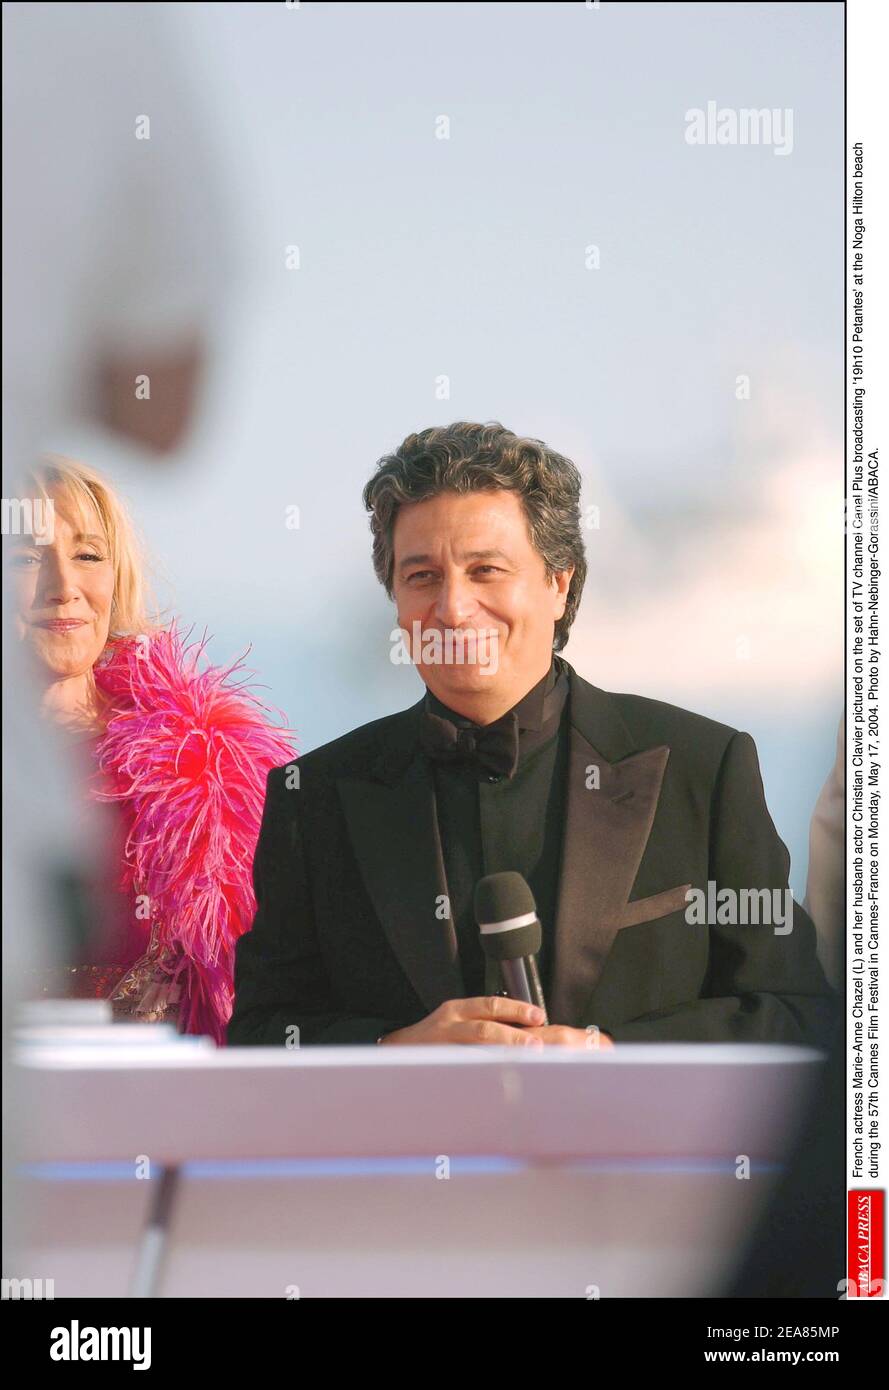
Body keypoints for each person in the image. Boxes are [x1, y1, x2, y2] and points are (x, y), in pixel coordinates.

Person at [229, 421, 837, 1049]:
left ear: (559, 582)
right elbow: (262, 1032)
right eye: (422, 577)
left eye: (486, 570)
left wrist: (613, 1054)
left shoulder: (704, 769)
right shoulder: (315, 796)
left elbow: (789, 1013)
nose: (455, 607)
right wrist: (395, 1050)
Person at [9, 456, 296, 1043]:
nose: (63, 588)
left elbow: (278, 993)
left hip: (169, 1119)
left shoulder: (215, 774)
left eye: (88, 555)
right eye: (25, 557)